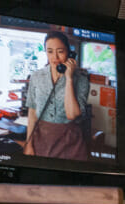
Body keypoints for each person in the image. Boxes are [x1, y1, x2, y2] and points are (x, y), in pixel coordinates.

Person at [23, 31, 89, 159]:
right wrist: (28, 144)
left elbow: (72, 114)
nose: (55, 57)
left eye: (60, 51)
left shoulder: (81, 80)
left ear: (69, 53)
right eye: (50, 51)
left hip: (70, 143)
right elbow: (32, 113)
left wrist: (69, 79)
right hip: (41, 140)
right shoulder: (36, 76)